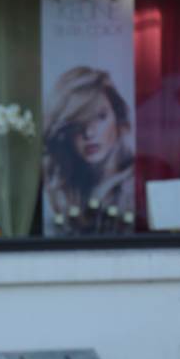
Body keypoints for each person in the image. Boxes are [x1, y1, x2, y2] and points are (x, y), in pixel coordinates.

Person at [42, 65, 136, 236]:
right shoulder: (58, 190)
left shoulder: (135, 186)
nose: (89, 133)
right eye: (77, 122)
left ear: (117, 116)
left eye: (100, 117)